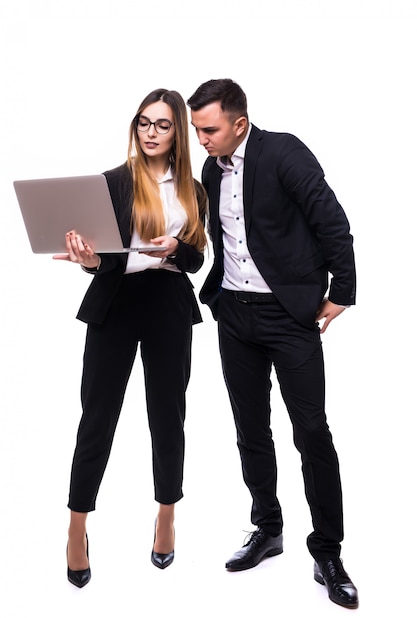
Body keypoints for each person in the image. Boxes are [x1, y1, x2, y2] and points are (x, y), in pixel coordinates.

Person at [187, 79, 358, 609]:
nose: (202, 141)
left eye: (209, 130)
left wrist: (341, 292)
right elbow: (220, 239)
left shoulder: (284, 151)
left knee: (311, 431)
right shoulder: (211, 172)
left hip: (289, 316)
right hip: (234, 315)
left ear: (239, 123)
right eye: (196, 131)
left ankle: (327, 551)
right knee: (250, 428)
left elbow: (332, 221)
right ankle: (268, 527)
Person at [54, 89, 207, 587]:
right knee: (97, 417)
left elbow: (196, 259)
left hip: (167, 304)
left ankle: (167, 514)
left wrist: (176, 249)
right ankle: (77, 526)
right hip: (116, 302)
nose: (150, 132)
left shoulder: (193, 189)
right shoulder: (112, 182)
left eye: (162, 125)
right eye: (144, 122)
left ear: (176, 132)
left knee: (168, 417)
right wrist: (88, 259)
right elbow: (106, 255)